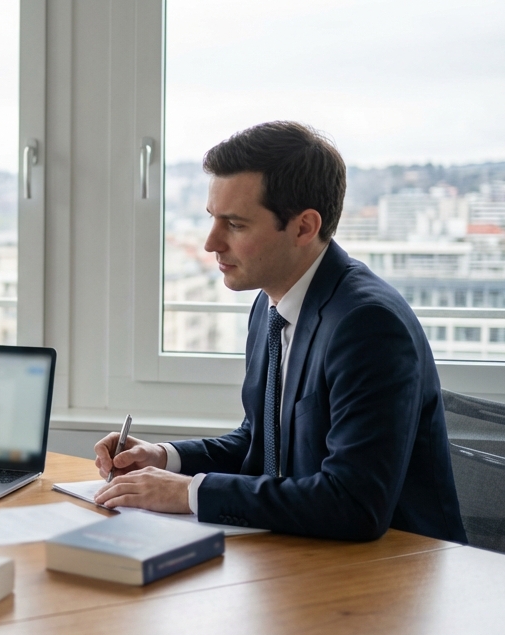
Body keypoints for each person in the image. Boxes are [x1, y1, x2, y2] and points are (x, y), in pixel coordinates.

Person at [92, 121, 465, 543]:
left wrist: (189, 493)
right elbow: (261, 443)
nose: (211, 243)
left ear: (304, 227)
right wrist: (165, 459)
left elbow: (354, 504)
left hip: (398, 571)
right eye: (213, 219)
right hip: (306, 556)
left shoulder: (368, 326)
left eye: (234, 224)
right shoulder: (272, 302)